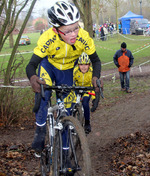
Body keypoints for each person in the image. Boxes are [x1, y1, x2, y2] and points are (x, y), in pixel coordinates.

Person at [26, 1, 101, 154]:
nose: (73, 34)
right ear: (56, 30)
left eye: (76, 28)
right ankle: (40, 130)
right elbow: (31, 65)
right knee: (43, 95)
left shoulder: (84, 37)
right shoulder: (47, 38)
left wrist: (95, 78)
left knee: (66, 112)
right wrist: (33, 78)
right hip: (49, 66)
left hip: (66, 70)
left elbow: (96, 60)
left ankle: (66, 153)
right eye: (67, 31)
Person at [73, 52, 100, 134]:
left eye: (86, 64)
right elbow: (71, 81)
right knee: (72, 104)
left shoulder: (92, 72)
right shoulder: (75, 71)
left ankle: (87, 123)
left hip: (87, 90)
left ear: (89, 65)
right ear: (78, 65)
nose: (83, 67)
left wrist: (95, 99)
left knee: (85, 103)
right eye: (81, 65)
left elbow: (94, 87)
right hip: (77, 89)